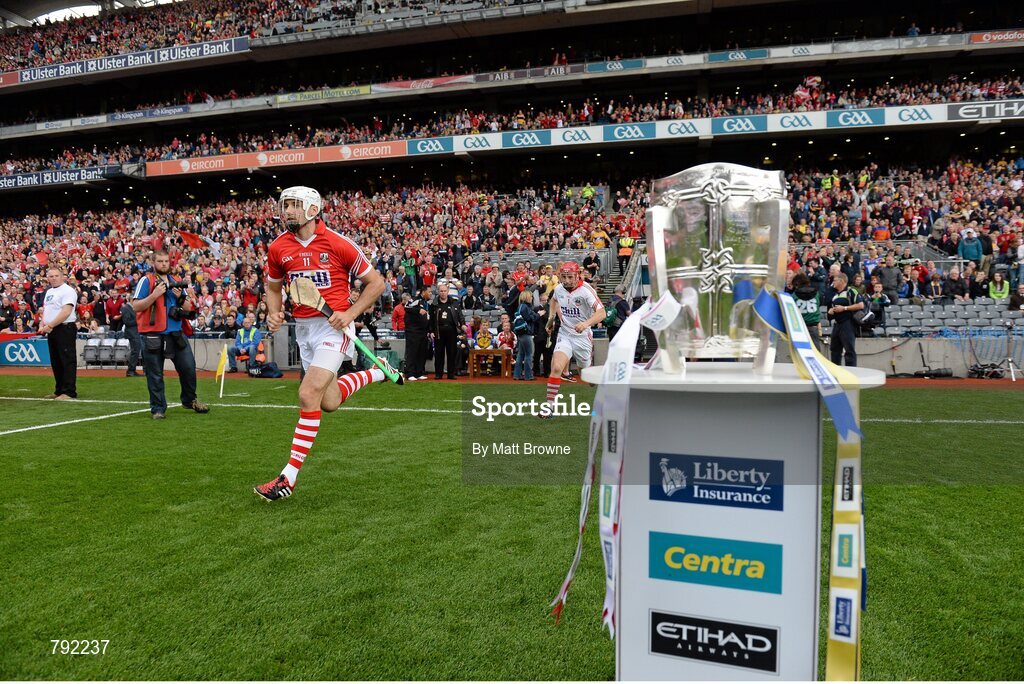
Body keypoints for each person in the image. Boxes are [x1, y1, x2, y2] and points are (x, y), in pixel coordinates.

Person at [255, 186, 403, 502]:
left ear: (312, 208)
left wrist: (349, 312)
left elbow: (376, 284)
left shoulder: (337, 243)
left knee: (308, 393)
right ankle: (378, 371)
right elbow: (273, 287)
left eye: (294, 205)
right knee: (329, 402)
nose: (287, 211)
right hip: (304, 330)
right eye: (285, 206)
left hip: (334, 329)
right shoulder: (279, 248)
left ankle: (288, 478)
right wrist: (274, 312)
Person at [133, 250, 209, 420]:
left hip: (175, 332)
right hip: (152, 334)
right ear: (154, 262)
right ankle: (158, 408)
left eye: (166, 261)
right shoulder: (147, 280)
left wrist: (181, 299)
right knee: (155, 374)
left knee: (189, 368)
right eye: (160, 261)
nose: (164, 264)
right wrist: (155, 294)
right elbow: (135, 306)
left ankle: (189, 400)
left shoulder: (176, 282)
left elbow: (189, 308)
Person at [541, 262, 605, 415]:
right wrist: (552, 319)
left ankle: (592, 379)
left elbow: (602, 313)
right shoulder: (558, 289)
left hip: (583, 337)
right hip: (565, 334)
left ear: (578, 275)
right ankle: (549, 407)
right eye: (564, 276)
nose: (567, 280)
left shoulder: (586, 291)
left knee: (586, 375)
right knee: (556, 368)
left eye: (570, 277)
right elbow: (554, 300)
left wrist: (586, 323)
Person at [37, 266, 78, 400]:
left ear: (62, 277)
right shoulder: (49, 292)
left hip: (64, 328)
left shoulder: (68, 291)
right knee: (56, 361)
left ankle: (69, 391)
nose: (53, 278)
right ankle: (59, 390)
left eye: (56, 276)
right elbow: (47, 310)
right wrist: (43, 324)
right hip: (52, 329)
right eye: (51, 276)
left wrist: (50, 325)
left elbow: (66, 312)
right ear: (47, 278)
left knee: (67, 360)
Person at [826, 273, 864, 367]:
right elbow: (832, 307)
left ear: (841, 281)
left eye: (835, 280)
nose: (833, 283)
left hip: (848, 323)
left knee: (849, 349)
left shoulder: (851, 291)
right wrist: (831, 310)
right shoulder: (835, 294)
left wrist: (844, 308)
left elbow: (860, 305)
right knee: (834, 349)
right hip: (837, 323)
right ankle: (836, 370)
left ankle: (851, 372)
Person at [430, 282, 463, 380]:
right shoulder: (434, 304)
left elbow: (460, 315)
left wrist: (463, 324)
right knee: (439, 353)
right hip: (439, 331)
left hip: (452, 331)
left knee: (452, 353)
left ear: (448, 291)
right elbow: (431, 319)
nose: (443, 293)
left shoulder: (454, 302)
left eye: (445, 291)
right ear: (438, 292)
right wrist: (431, 331)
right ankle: (438, 374)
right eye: (441, 291)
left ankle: (451, 374)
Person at [404, 285, 432, 380]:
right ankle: (409, 373)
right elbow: (406, 307)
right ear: (423, 292)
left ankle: (419, 372)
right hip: (413, 331)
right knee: (412, 352)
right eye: (429, 292)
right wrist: (418, 310)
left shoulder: (426, 303)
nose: (431, 293)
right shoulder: (415, 299)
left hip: (423, 331)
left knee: (421, 352)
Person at [790, 271, 822, 349]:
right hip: (813, 327)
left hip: (799, 328)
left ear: (797, 284)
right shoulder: (816, 293)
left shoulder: (794, 296)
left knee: (800, 352)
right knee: (816, 352)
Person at [513, 290, 538, 380]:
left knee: (521, 354)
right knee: (529, 354)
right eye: (530, 296)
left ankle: (517, 375)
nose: (531, 298)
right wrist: (538, 315)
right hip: (526, 332)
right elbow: (530, 318)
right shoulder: (525, 307)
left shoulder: (520, 306)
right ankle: (528, 375)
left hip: (520, 332)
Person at [121, 296, 142, 376]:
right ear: (131, 300)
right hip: (132, 333)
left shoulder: (132, 308)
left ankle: (131, 370)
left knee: (135, 351)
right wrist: (139, 320)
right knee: (135, 351)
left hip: (135, 332)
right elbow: (127, 322)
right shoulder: (126, 308)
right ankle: (131, 370)